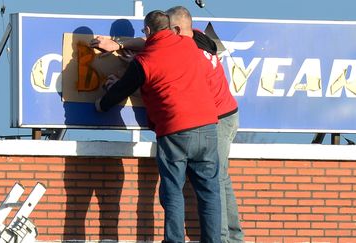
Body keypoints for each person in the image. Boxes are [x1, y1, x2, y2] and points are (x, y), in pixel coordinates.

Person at [91, 6, 244, 242]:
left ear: (149, 30)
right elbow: (155, 46)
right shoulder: (191, 44)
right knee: (210, 189)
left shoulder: (145, 61)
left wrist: (102, 103)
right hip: (208, 124)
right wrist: (121, 45)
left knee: (173, 191)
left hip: (177, 130)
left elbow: (124, 88)